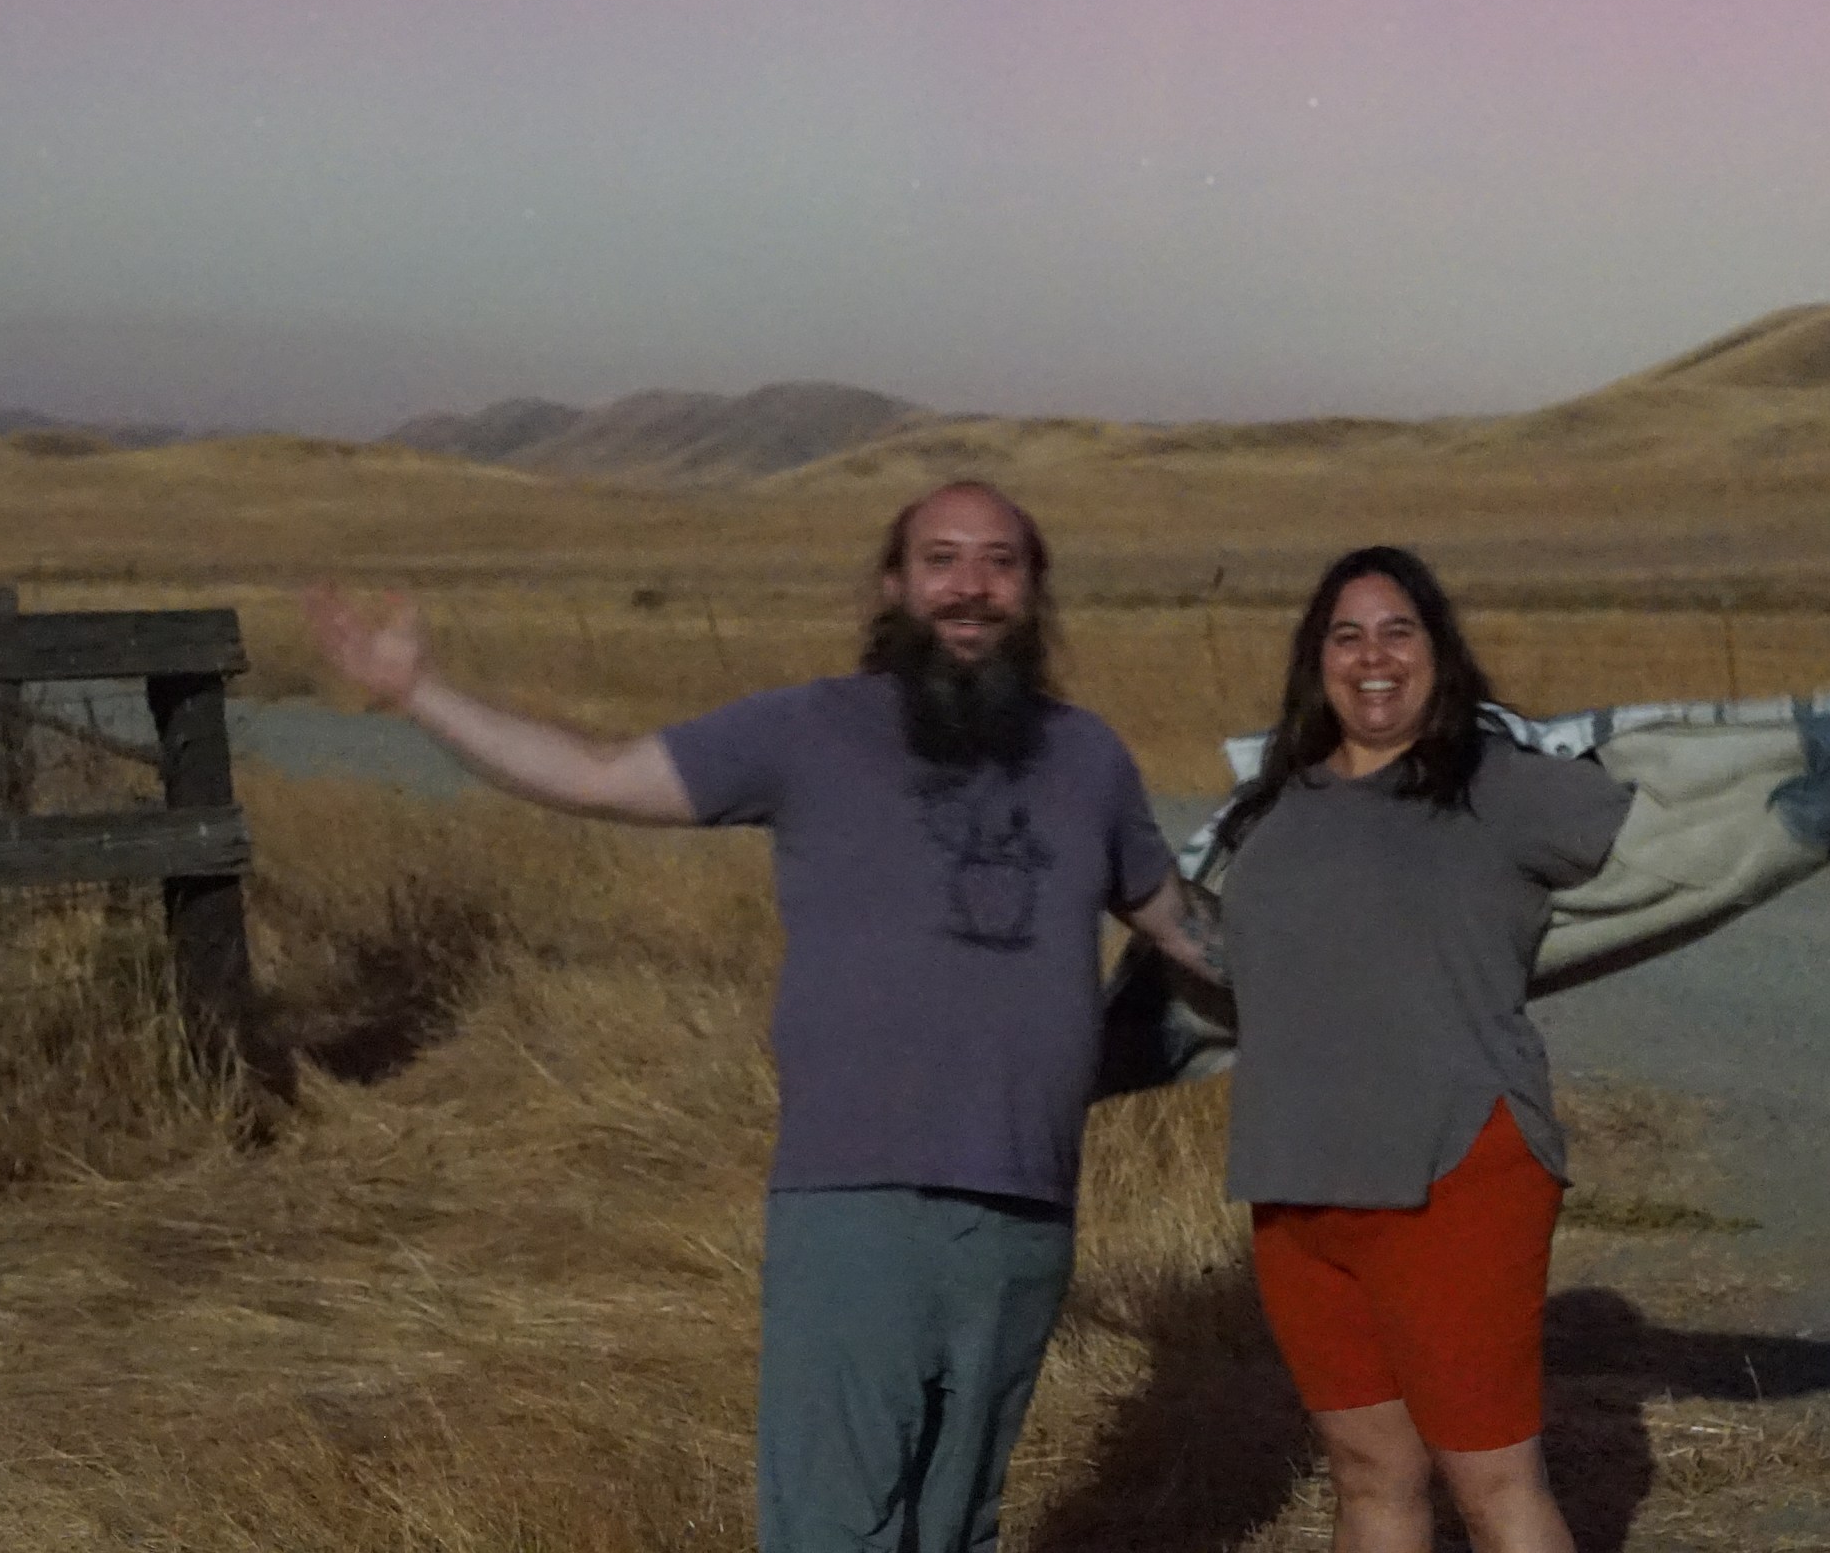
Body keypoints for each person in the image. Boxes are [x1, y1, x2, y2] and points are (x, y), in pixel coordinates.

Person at [303, 479, 1219, 1553]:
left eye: (1000, 561)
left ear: (1034, 588)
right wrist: (420, 694)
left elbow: (1186, 930)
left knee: (958, 1524)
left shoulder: (1089, 757)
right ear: (895, 583)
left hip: (1022, 1213)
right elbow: (601, 776)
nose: (971, 586)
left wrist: (1365, 957)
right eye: (942, 559)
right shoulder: (808, 730)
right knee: (837, 1526)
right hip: (858, 1204)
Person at [1208, 546, 1635, 1553]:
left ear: (1439, 651)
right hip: (1298, 1189)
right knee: (1368, 1476)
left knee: (1491, 1482)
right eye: (1346, 635)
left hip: (1453, 1176)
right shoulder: (1274, 806)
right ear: (1317, 660)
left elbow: (1658, 828)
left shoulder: (1495, 783)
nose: (1373, 657)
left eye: (1399, 631)